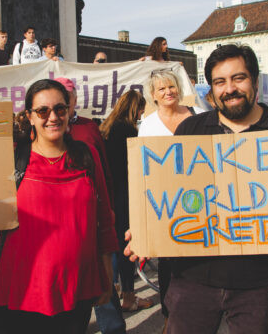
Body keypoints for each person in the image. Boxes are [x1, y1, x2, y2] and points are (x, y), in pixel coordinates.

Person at [126, 44, 268, 334]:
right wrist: (146, 228)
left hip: (258, 283)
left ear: (255, 81)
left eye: (238, 78)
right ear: (212, 89)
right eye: (220, 82)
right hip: (192, 279)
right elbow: (172, 196)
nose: (229, 88)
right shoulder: (190, 131)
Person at [0, 79, 118, 334]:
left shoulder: (87, 155)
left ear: (69, 112)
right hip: (19, 289)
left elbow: (105, 220)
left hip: (76, 289)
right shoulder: (11, 157)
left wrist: (108, 275)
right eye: (43, 111)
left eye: (60, 109)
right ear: (30, 116)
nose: (53, 117)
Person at [53, 77, 126, 334]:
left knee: (103, 276)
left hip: (91, 215)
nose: (65, 103)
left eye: (69, 97)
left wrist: (109, 208)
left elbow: (104, 170)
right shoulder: (44, 128)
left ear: (74, 101)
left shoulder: (88, 128)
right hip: (57, 222)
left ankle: (113, 328)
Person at [138, 69, 203, 331]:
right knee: (169, 261)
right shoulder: (149, 125)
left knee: (198, 256)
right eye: (162, 89)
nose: (168, 92)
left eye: (171, 87)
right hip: (165, 202)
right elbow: (145, 167)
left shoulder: (196, 114)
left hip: (199, 197)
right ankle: (169, 316)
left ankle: (197, 313)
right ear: (153, 95)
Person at [99, 90, 152, 313]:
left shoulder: (106, 127)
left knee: (113, 245)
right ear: (135, 108)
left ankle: (119, 289)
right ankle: (129, 296)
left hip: (109, 193)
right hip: (125, 193)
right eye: (141, 109)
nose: (142, 113)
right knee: (126, 245)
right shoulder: (129, 130)